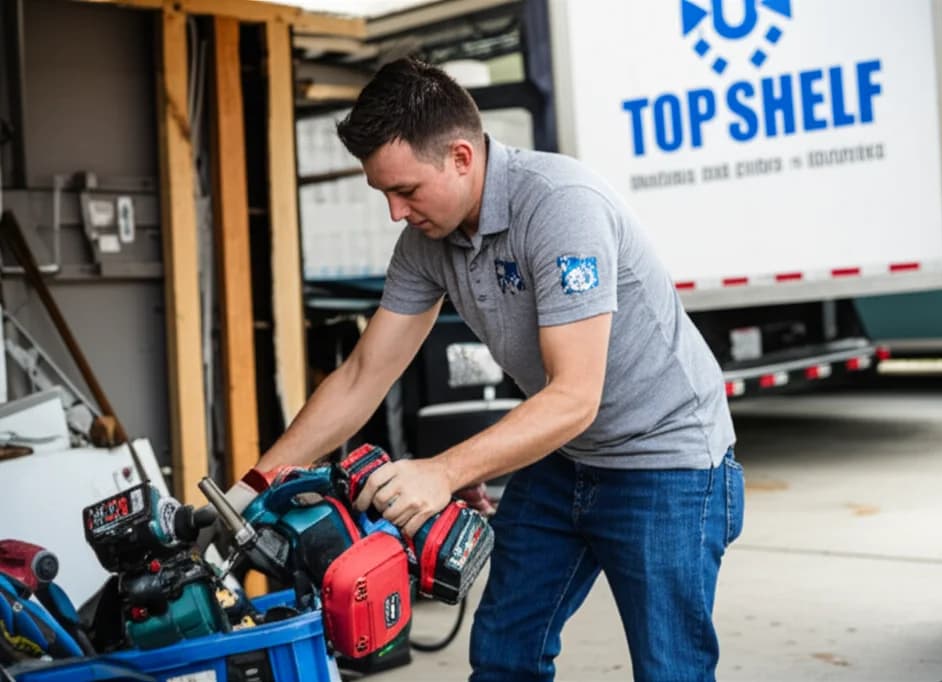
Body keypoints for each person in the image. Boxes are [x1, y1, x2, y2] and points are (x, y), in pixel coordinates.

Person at [227, 57, 744, 682]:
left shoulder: (559, 208)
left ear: (462, 158)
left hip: (666, 462)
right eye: (383, 193)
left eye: (407, 190)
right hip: (568, 458)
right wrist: (254, 485)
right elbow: (364, 373)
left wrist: (444, 472)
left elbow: (576, 396)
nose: (395, 212)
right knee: (503, 655)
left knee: (672, 670)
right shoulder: (426, 242)